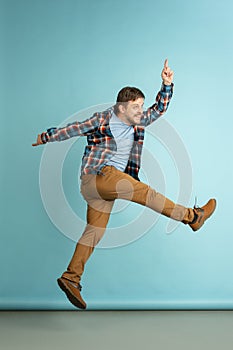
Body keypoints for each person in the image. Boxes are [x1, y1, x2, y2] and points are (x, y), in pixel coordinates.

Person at [32, 59, 216, 310]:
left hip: (105, 188)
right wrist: (47, 136)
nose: (141, 111)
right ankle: (192, 217)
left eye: (141, 106)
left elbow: (158, 109)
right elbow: (74, 129)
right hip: (98, 176)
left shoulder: (138, 121)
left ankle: (71, 278)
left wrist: (166, 84)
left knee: (94, 232)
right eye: (136, 106)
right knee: (145, 192)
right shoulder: (102, 119)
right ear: (121, 107)